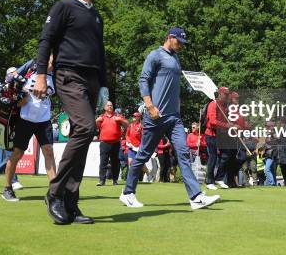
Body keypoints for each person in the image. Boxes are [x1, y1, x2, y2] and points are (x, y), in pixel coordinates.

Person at [34, 0, 108, 225]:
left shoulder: (97, 16)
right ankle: (54, 193)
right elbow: (46, 40)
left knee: (84, 136)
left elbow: (100, 53)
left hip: (91, 80)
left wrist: (105, 86)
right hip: (68, 75)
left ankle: (70, 203)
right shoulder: (63, 6)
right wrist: (41, 75)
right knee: (86, 129)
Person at [120, 27, 219, 210]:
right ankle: (127, 193)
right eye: (178, 41)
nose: (180, 45)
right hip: (155, 116)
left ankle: (196, 197)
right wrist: (149, 106)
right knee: (143, 155)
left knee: (183, 153)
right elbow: (144, 80)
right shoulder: (155, 55)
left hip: (174, 118)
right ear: (169, 37)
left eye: (182, 42)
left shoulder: (175, 58)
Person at [2, 57, 58, 201]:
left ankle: (55, 192)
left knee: (49, 152)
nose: (52, 65)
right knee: (17, 153)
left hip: (44, 119)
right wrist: (20, 94)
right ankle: (8, 188)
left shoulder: (57, 74)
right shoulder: (32, 66)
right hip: (25, 118)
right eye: (51, 61)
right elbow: (9, 77)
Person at [96, 100, 128, 186]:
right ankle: (102, 181)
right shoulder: (101, 117)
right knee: (103, 162)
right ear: (105, 107)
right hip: (104, 143)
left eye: (111, 105)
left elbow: (127, 124)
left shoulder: (118, 116)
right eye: (108, 105)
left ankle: (115, 180)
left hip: (116, 143)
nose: (110, 106)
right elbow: (95, 127)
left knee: (115, 162)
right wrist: (96, 121)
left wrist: (120, 120)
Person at [204, 87, 231, 190]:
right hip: (211, 134)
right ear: (220, 94)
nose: (227, 96)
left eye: (228, 94)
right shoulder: (213, 104)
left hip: (221, 135)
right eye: (225, 94)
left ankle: (219, 178)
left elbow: (225, 120)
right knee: (213, 156)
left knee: (226, 155)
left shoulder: (224, 106)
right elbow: (212, 121)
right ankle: (209, 181)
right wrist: (226, 125)